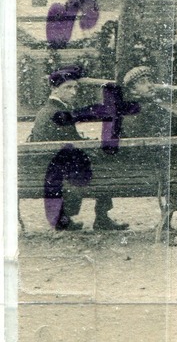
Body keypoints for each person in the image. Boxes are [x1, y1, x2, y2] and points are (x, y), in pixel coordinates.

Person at [29, 69, 127, 232]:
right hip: (60, 173)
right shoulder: (59, 112)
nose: (74, 92)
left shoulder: (47, 110)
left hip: (46, 169)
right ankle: (102, 217)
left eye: (75, 88)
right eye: (68, 88)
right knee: (106, 167)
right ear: (54, 89)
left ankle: (65, 218)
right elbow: (73, 144)